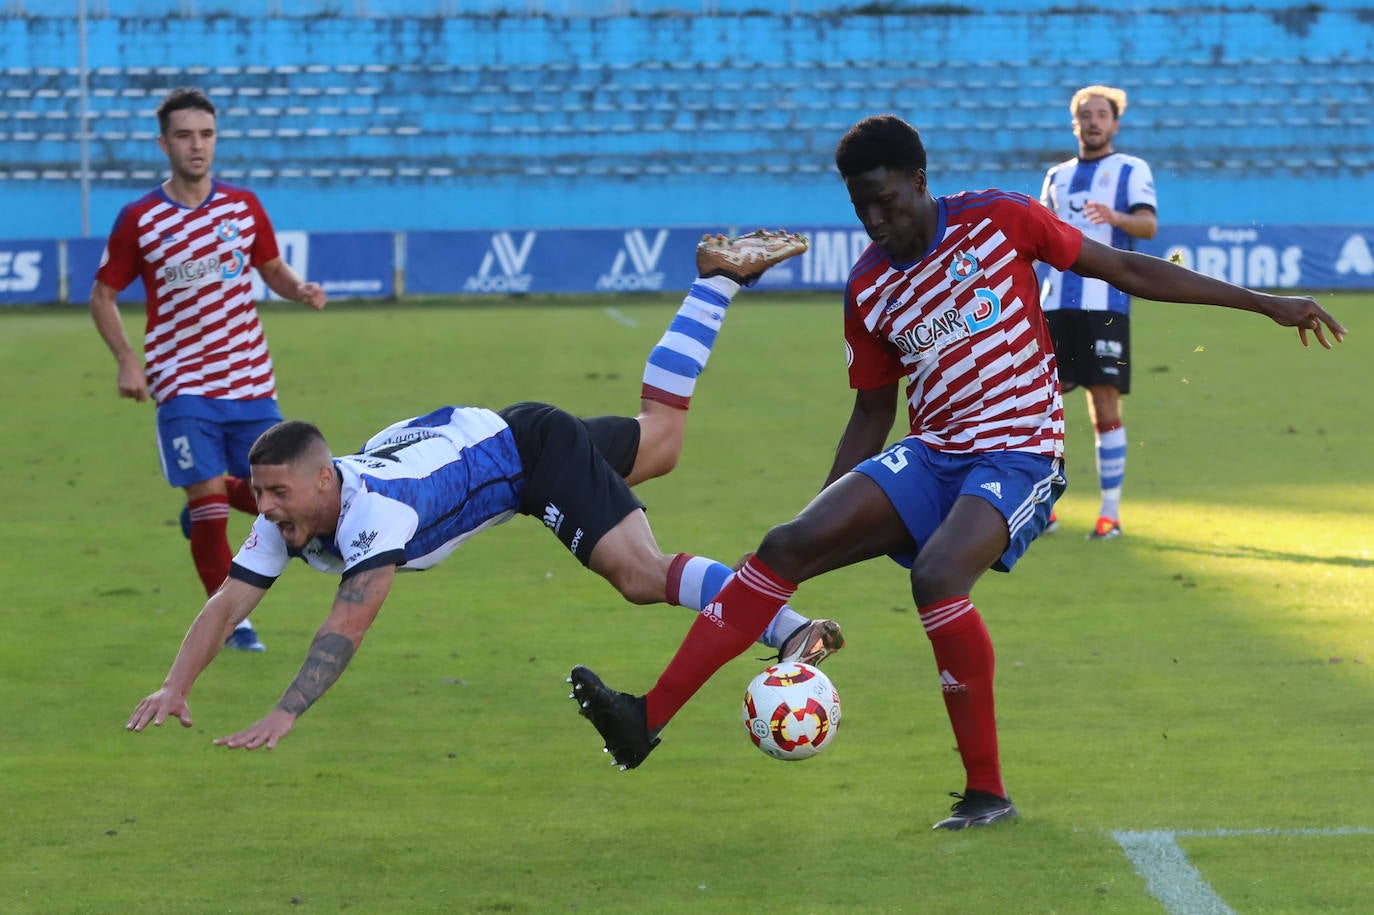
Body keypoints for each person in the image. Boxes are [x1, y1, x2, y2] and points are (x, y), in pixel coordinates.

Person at [568, 114, 1344, 830]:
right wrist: (821, 518)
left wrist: (1268, 303)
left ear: (918, 182)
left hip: (1021, 450)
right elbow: (873, 413)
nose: (874, 220)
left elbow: (1125, 268)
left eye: (884, 202)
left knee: (937, 575)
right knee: (783, 544)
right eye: (860, 207)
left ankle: (987, 791)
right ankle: (645, 720)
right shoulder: (870, 286)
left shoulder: (1000, 220)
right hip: (934, 452)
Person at [125, 230, 845, 750]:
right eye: (260, 492)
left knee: (638, 574)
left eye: (275, 491)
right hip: (501, 436)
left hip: (530, 458)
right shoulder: (294, 510)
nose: (266, 506)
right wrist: (174, 684)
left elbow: (344, 628)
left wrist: (285, 712)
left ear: (322, 477)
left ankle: (789, 628)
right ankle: (718, 277)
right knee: (661, 438)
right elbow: (226, 605)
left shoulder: (374, 517)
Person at [90, 87, 327, 652]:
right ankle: (233, 625)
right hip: (182, 384)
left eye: (206, 134)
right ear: (164, 143)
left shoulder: (242, 207)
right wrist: (128, 360)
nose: (197, 146)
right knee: (212, 505)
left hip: (250, 383)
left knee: (281, 496)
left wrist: (298, 290)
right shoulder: (140, 218)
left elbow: (270, 267)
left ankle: (206, 516)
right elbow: (103, 295)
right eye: (184, 135)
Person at [1038, 85, 1157, 540]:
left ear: (1114, 123)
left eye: (1101, 114)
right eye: (1084, 114)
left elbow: (1147, 226)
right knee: (1042, 406)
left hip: (1107, 304)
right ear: (1075, 123)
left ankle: (1109, 514)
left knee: (1103, 404)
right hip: (1055, 304)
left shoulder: (1130, 169)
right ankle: (1043, 507)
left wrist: (1114, 216)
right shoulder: (1057, 176)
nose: (1092, 121)